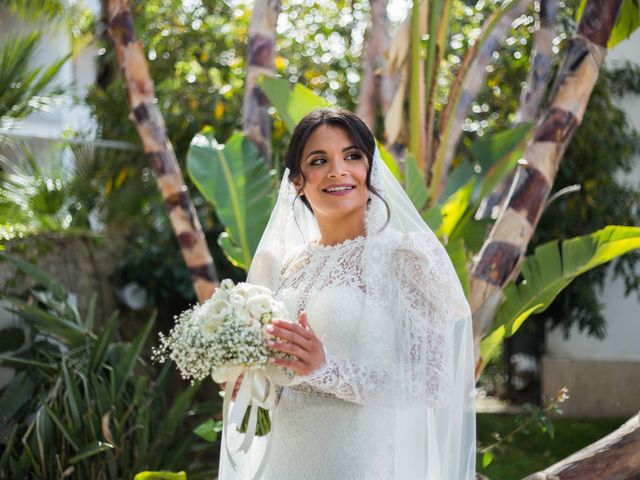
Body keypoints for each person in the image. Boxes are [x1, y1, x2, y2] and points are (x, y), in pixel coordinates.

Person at [218, 108, 476, 479]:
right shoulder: (289, 266)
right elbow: (287, 378)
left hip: (360, 465)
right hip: (285, 462)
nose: (338, 170)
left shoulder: (405, 256)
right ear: (297, 183)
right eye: (319, 160)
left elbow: (432, 383)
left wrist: (326, 369)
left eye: (352, 156)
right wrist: (253, 382)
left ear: (370, 170)